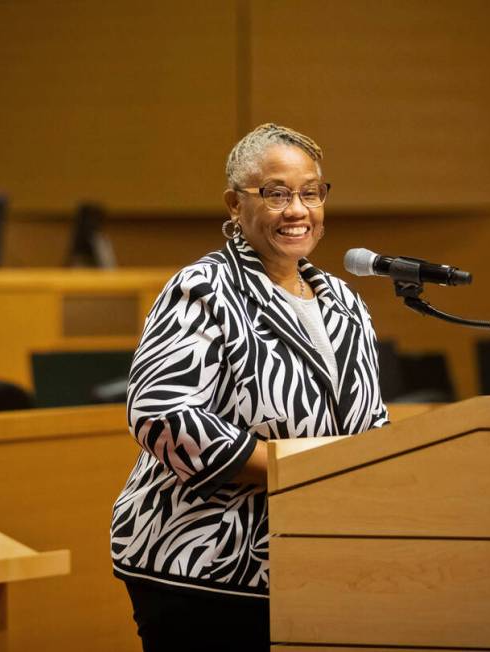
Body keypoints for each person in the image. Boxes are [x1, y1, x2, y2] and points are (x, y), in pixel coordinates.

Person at [110, 123, 389, 651]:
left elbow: (371, 426)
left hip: (311, 563)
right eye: (276, 194)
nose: (297, 210)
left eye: (311, 192)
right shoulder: (204, 288)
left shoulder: (345, 302)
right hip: (202, 563)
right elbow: (161, 414)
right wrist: (298, 467)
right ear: (235, 206)